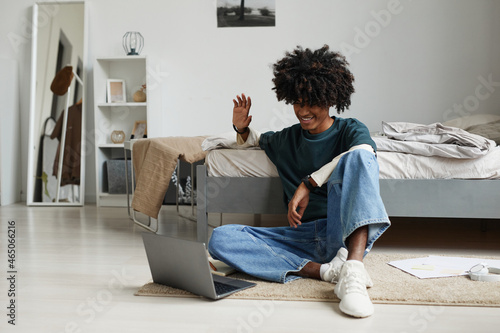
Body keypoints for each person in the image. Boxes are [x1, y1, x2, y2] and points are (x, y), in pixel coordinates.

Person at [208, 45, 390, 318]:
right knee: (220, 238)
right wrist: (241, 128)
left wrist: (309, 183)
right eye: (297, 102)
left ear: (329, 99)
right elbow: (255, 140)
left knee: (358, 158)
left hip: (340, 229)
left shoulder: (351, 130)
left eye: (311, 102)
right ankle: (327, 272)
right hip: (302, 236)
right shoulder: (286, 139)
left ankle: (353, 268)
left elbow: (365, 155)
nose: (303, 111)